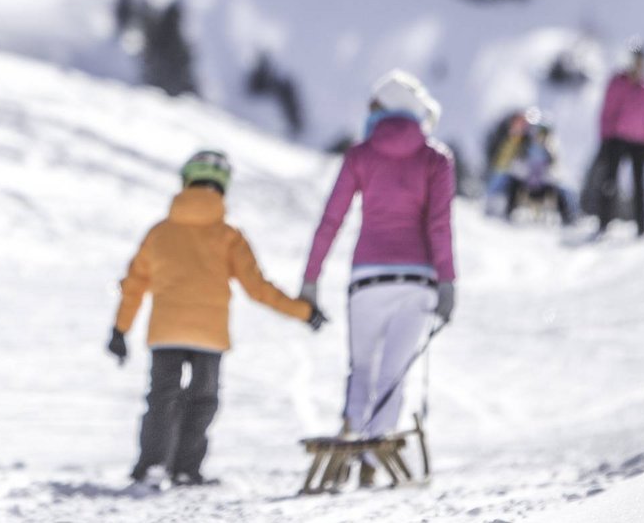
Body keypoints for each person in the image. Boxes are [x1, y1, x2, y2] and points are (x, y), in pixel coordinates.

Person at [107, 150, 325, 487]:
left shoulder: (159, 233)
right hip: (209, 336)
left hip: (166, 332)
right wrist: (304, 311)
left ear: (186, 181)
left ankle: (151, 466)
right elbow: (257, 288)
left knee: (161, 398)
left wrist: (120, 330)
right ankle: (185, 469)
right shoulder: (228, 236)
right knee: (202, 400)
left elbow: (134, 285)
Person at [300, 70, 455, 481]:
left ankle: (350, 437)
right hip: (418, 280)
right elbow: (439, 225)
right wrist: (447, 283)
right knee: (393, 374)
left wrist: (311, 280)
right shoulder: (436, 159)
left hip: (367, 277)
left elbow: (331, 219)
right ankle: (371, 462)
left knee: (362, 369)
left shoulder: (360, 155)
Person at [591, 41, 644, 236]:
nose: (639, 65)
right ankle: (604, 222)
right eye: (636, 61)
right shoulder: (617, 83)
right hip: (617, 139)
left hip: (640, 142)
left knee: (639, 186)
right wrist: (605, 138)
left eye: (642, 62)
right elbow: (606, 112)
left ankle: (642, 227)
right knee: (610, 182)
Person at [504, 110, 574, 225]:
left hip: (543, 185)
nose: (538, 135)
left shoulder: (550, 151)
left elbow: (555, 170)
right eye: (535, 132)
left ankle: (567, 217)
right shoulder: (524, 148)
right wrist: (525, 173)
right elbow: (516, 166)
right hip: (526, 183)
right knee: (511, 183)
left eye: (541, 133)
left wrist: (548, 176)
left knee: (561, 190)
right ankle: (508, 212)